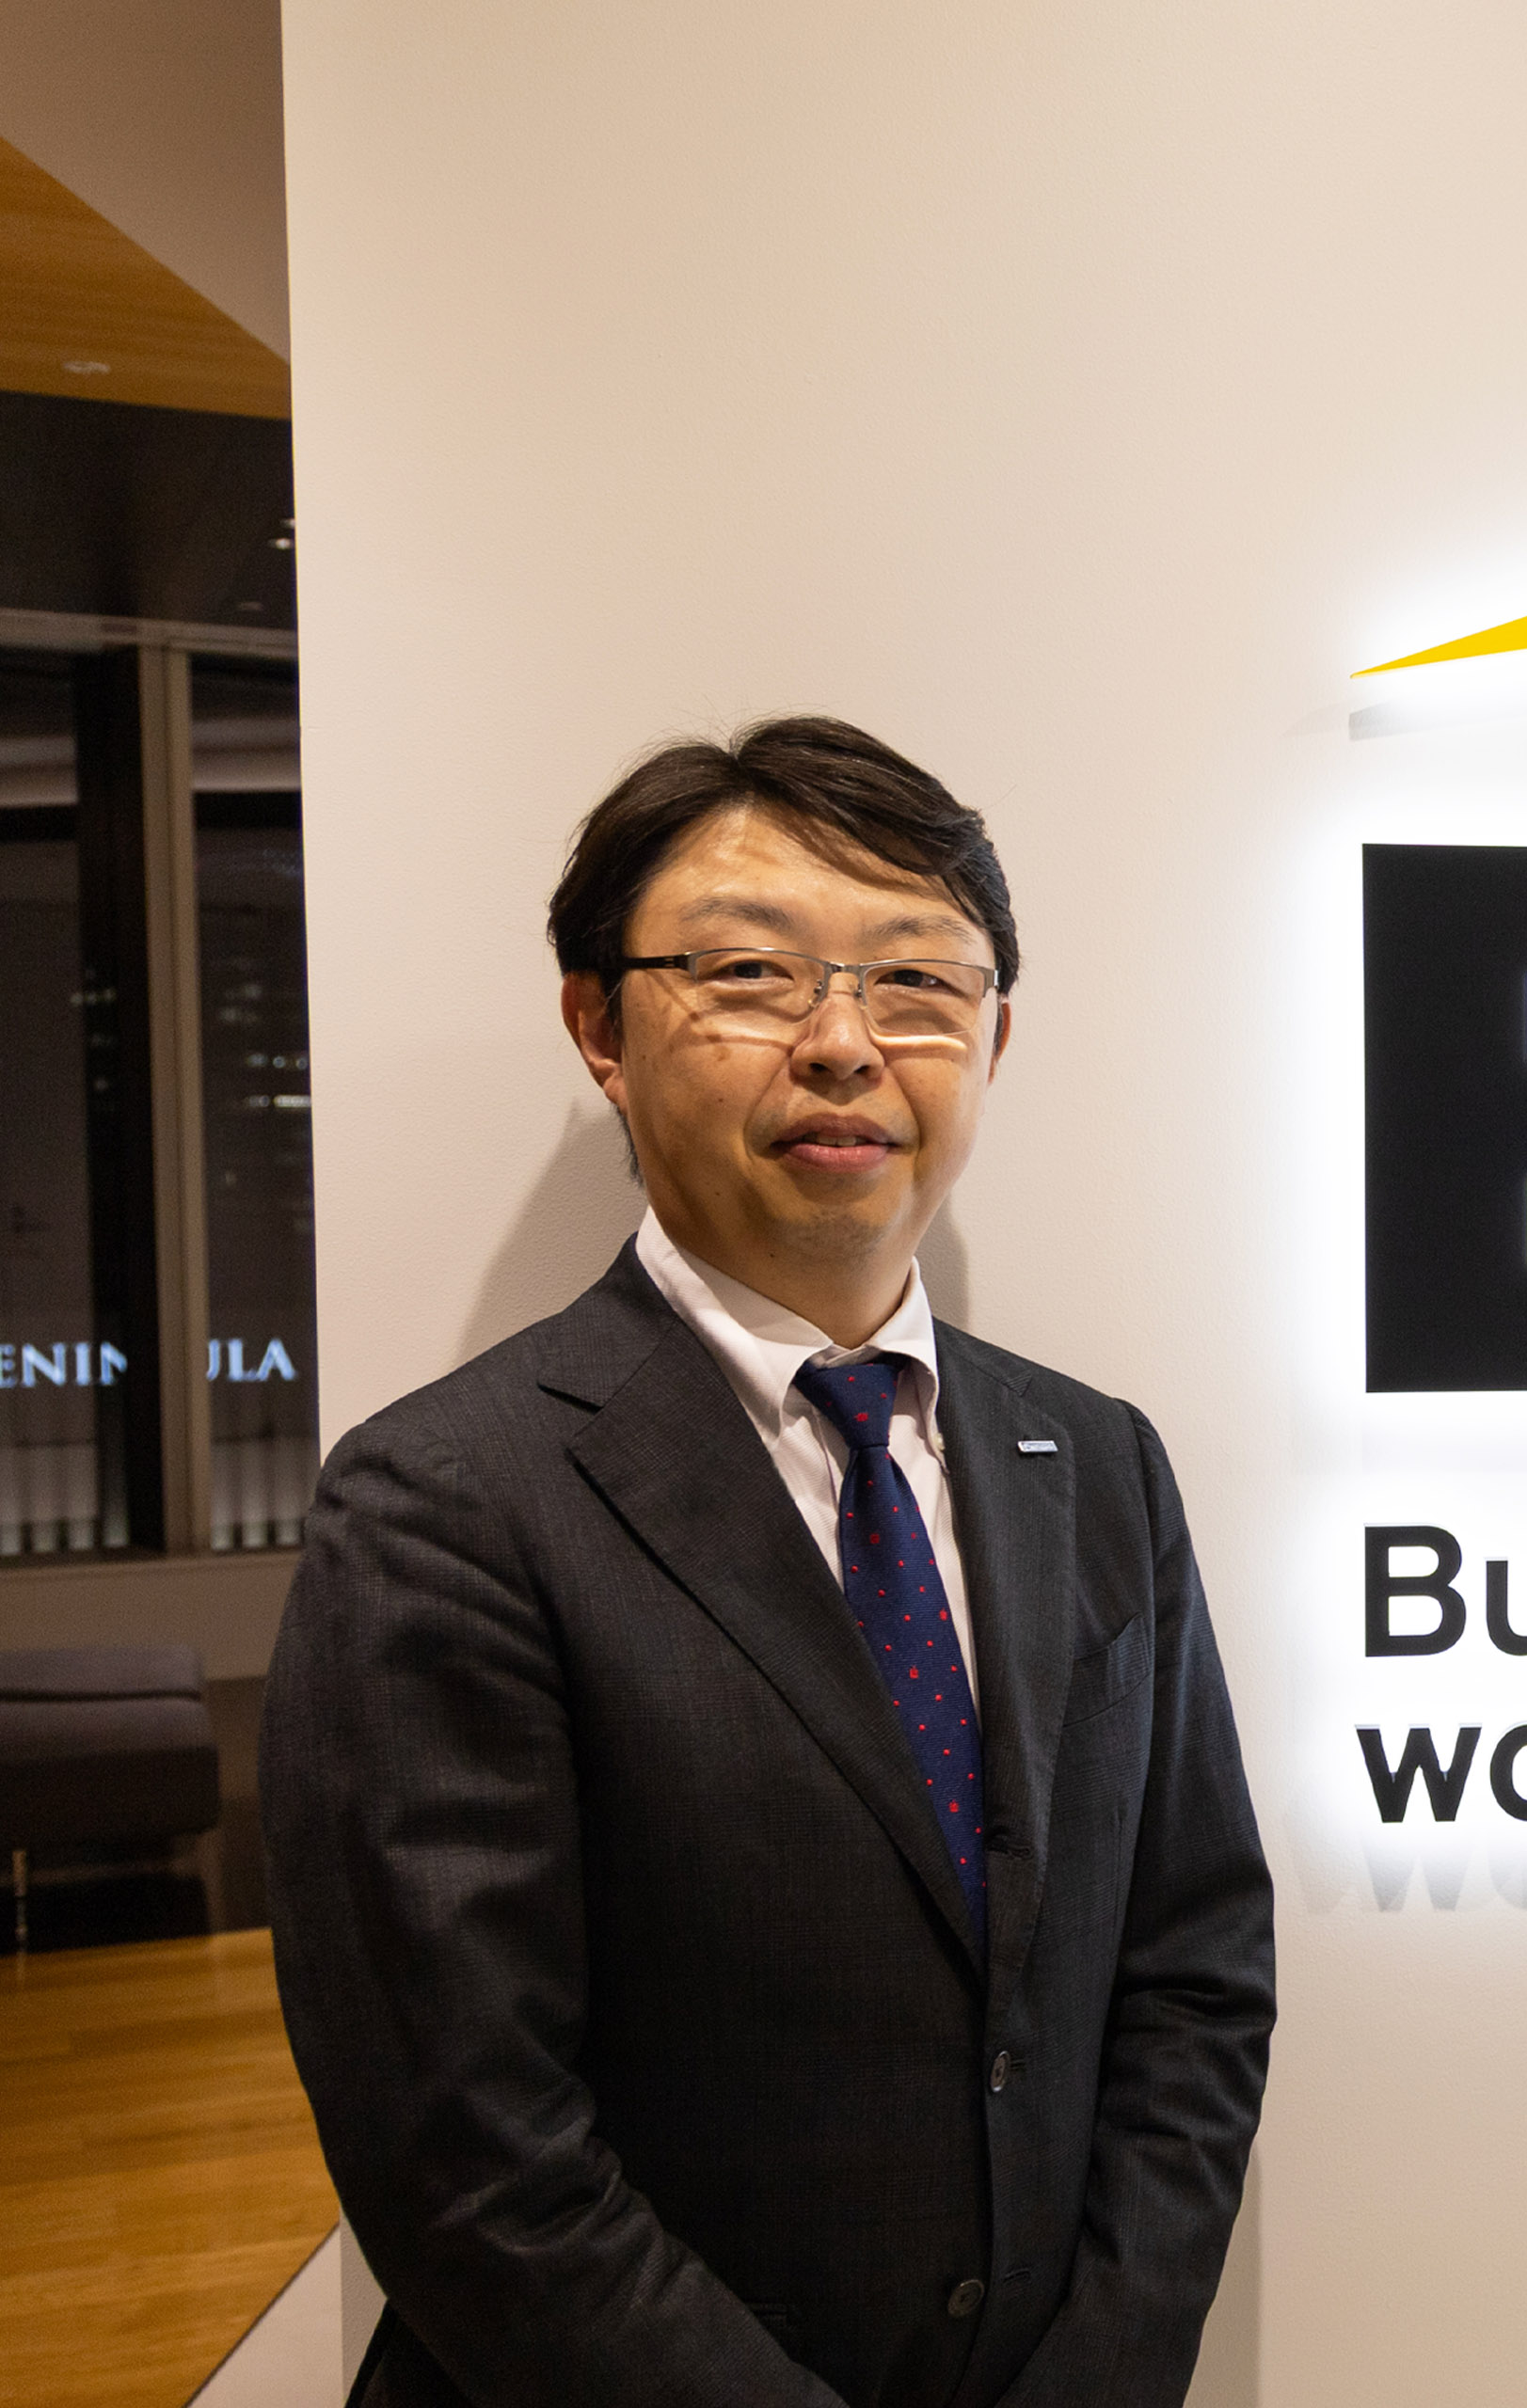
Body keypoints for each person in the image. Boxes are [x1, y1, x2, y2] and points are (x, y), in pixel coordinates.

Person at [265, 718, 1272, 2407]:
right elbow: (469, 2153)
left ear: (994, 1036)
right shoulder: (444, 1504)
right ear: (601, 1027)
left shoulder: (1098, 1462)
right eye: (750, 976)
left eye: (917, 984)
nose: (844, 1045)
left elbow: (1195, 1972)